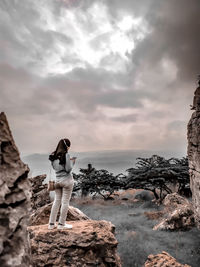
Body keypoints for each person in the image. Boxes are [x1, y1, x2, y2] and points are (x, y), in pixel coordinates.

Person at [48, 138, 76, 230]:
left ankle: (51, 224)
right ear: (66, 146)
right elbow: (68, 169)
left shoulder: (53, 156)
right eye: (68, 147)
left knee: (56, 201)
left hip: (57, 181)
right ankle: (61, 224)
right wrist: (72, 162)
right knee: (65, 202)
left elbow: (55, 168)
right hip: (67, 181)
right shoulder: (66, 155)